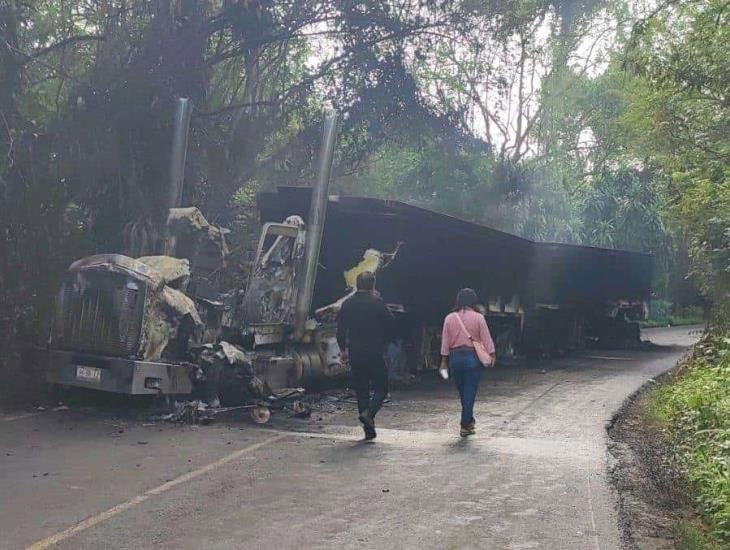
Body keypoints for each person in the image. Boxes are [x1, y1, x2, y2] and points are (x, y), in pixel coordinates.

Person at [337, 271, 393, 440]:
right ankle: (370, 413)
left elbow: (341, 330)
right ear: (373, 285)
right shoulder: (377, 303)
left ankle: (368, 428)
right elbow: (391, 323)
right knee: (382, 388)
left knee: (361, 390)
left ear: (357, 284)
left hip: (356, 352)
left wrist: (343, 350)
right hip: (375, 352)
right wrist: (384, 341)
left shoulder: (348, 304)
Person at [440, 288, 496, 437]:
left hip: (455, 358)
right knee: (469, 391)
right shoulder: (479, 317)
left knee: (463, 391)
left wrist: (443, 362)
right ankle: (465, 424)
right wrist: (492, 355)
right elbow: (486, 338)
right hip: (472, 357)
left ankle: (468, 421)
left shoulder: (449, 318)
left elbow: (445, 342)